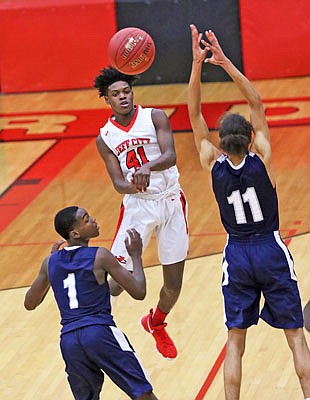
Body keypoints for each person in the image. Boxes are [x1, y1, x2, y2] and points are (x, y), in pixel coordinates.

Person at [187, 24, 310, 400]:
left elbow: (193, 113)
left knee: (235, 342)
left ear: (220, 142)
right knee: (295, 339)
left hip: (237, 253)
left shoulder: (211, 161)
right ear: (251, 138)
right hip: (270, 250)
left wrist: (197, 66)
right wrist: (225, 63)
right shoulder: (264, 157)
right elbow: (256, 102)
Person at [93, 66, 189, 359]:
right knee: (117, 282)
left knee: (173, 285)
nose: (123, 97)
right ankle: (91, 318)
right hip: (138, 208)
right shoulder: (105, 137)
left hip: (171, 201)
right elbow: (119, 184)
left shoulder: (154, 116)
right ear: (106, 100)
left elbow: (170, 155)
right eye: (115, 94)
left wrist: (146, 168)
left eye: (126, 91)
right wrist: (136, 184)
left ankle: (156, 323)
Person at [24, 206, 158, 400]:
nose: (93, 219)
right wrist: (136, 255)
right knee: (142, 392)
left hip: (69, 341)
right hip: (99, 332)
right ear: (75, 233)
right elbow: (139, 291)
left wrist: (52, 268)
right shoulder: (100, 255)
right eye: (86, 219)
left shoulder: (50, 262)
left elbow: (30, 303)